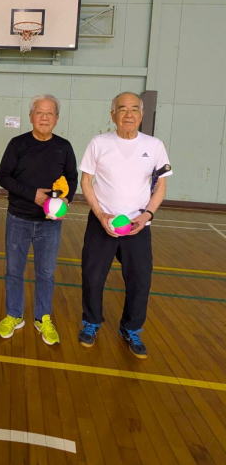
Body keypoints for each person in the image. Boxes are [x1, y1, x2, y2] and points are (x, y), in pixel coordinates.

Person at [78, 92, 172, 359]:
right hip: (102, 223)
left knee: (140, 280)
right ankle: (91, 322)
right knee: (93, 277)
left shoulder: (154, 145)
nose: (128, 114)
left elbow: (161, 185)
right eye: (122, 109)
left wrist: (147, 215)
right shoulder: (98, 143)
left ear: (141, 115)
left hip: (137, 225)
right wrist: (100, 215)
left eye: (134, 109)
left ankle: (131, 329)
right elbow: (86, 181)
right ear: (113, 115)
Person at [0, 94, 77, 346]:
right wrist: (34, 195)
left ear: (57, 119)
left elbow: (72, 178)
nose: (44, 117)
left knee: (46, 272)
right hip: (18, 218)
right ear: (31, 116)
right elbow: (3, 177)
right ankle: (14, 315)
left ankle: (43, 318)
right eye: (39, 112)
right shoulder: (17, 144)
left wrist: (65, 201)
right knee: (14, 271)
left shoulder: (64, 146)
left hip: (50, 223)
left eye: (49, 113)